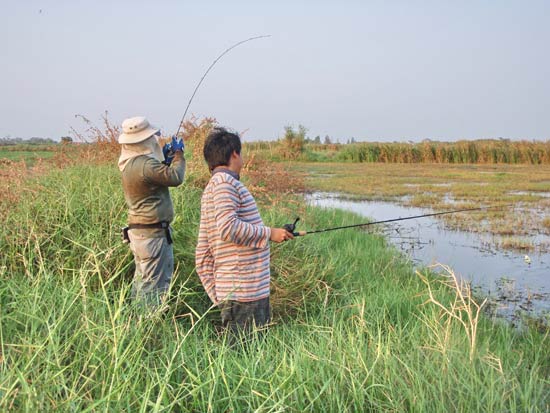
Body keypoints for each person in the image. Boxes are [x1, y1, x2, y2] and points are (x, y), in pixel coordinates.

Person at [195, 127, 293, 337]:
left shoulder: (214, 186)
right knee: (250, 360)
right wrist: (269, 233)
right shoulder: (224, 184)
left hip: (238, 294)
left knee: (239, 360)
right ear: (234, 154)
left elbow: (202, 255)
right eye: (241, 153)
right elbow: (228, 228)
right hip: (244, 295)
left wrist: (221, 295)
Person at [118, 116, 185, 307]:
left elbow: (150, 182)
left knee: (143, 282)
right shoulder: (146, 165)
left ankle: (135, 322)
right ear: (144, 140)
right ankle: (147, 326)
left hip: (141, 234)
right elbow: (175, 177)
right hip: (152, 236)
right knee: (154, 287)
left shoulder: (130, 164)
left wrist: (164, 161)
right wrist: (179, 155)